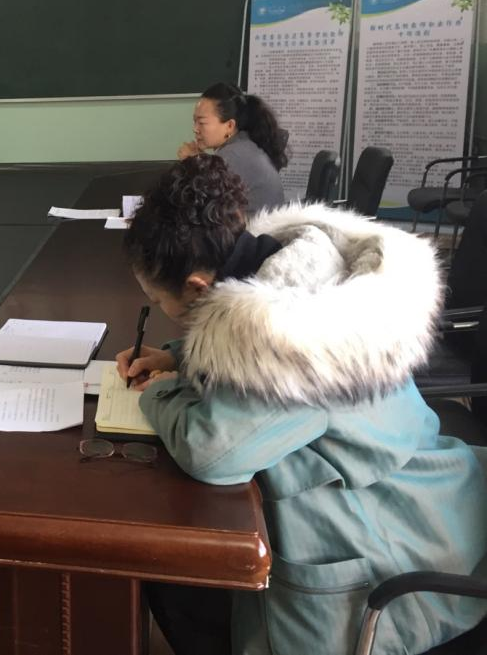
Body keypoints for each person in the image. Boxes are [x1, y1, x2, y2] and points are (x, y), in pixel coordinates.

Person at [114, 154, 487, 655]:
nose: (161, 310)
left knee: (176, 576)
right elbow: (238, 352)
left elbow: (212, 452)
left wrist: (160, 391)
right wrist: (179, 356)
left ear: (199, 287)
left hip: (395, 542)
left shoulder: (291, 336)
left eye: (159, 300)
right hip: (425, 486)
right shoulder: (297, 269)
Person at [178, 82, 288, 213]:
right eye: (194, 121)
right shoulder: (243, 145)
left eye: (201, 122)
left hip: (253, 225)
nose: (195, 129)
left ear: (229, 126)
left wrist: (192, 163)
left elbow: (203, 206)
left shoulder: (234, 155)